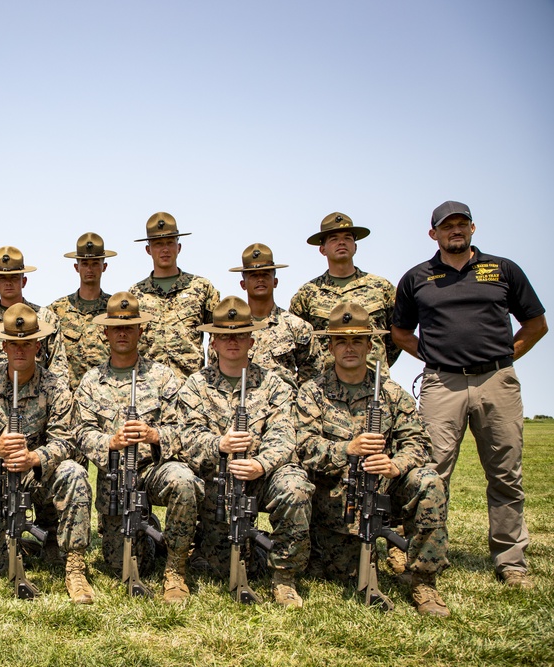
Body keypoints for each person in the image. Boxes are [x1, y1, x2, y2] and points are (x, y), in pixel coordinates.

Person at [392, 200, 547, 589]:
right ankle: (428, 556)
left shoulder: (503, 270)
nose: (454, 231)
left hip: (497, 381)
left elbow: (535, 323)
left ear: (473, 229)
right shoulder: (417, 278)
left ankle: (511, 560)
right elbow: (400, 333)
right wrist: (432, 356)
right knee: (431, 472)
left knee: (505, 473)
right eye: (447, 227)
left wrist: (503, 357)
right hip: (443, 384)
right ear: (434, 234)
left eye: (461, 224)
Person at [297, 302, 450, 616]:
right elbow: (301, 446)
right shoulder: (312, 393)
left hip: (383, 494)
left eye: (357, 340)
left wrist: (396, 465)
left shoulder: (392, 394)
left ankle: (424, 582)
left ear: (370, 345)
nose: (349, 347)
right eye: (341, 340)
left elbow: (419, 444)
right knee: (343, 574)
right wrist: (346, 450)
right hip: (335, 506)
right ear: (330, 346)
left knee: (429, 482)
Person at [178, 296, 312, 607]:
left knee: (295, 485)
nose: (232, 341)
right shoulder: (195, 385)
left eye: (240, 335)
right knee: (216, 565)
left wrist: (261, 464)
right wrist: (218, 445)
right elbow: (184, 438)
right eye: (225, 335)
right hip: (215, 485)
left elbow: (285, 436)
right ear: (213, 342)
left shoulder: (274, 385)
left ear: (252, 340)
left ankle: (284, 580)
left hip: (257, 478)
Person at [74, 292, 203, 603]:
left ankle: (175, 569)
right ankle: (152, 533)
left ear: (140, 331)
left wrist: (154, 435)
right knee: (124, 565)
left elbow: (183, 429)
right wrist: (111, 442)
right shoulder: (91, 381)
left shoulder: (162, 377)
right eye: (116, 328)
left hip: (154, 470)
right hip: (116, 480)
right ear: (104, 332)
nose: (122, 333)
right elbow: (80, 432)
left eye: (129, 327)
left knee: (184, 480)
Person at [0, 303, 95, 604]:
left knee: (73, 472)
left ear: (38, 344)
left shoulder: (55, 386)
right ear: (4, 345)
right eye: (13, 344)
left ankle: (74, 567)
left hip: (36, 476)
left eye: (27, 344)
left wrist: (35, 457)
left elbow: (66, 439)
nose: (19, 350)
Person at [290, 212, 400, 374]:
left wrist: (377, 359)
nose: (341, 242)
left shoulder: (381, 287)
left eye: (348, 238)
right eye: (334, 239)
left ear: (355, 246)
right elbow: (297, 340)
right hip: (323, 388)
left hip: (373, 384)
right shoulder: (307, 293)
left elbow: (397, 337)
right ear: (322, 249)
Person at [129, 212, 219, 380]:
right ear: (148, 249)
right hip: (148, 388)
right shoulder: (135, 293)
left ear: (179, 247)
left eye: (170, 242)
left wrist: (213, 377)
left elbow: (218, 335)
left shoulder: (201, 287)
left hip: (191, 386)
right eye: (158, 244)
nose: (165, 249)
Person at [0, 246, 68, 382]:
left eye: (14, 278)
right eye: (2, 278)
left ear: (24, 281)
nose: (8, 283)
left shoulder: (46, 319)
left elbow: (59, 369)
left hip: (38, 397)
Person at [230, 243, 319, 390]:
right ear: (243, 284)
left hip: (284, 408)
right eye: (253, 276)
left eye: (265, 275)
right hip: (241, 406)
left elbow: (312, 381)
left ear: (275, 282)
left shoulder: (297, 327)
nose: (260, 280)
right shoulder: (230, 330)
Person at [48, 233, 115, 392]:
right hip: (69, 398)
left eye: (95, 263)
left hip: (109, 397)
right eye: (84, 263)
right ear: (76, 267)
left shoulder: (115, 309)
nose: (90, 269)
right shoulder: (57, 310)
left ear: (104, 267)